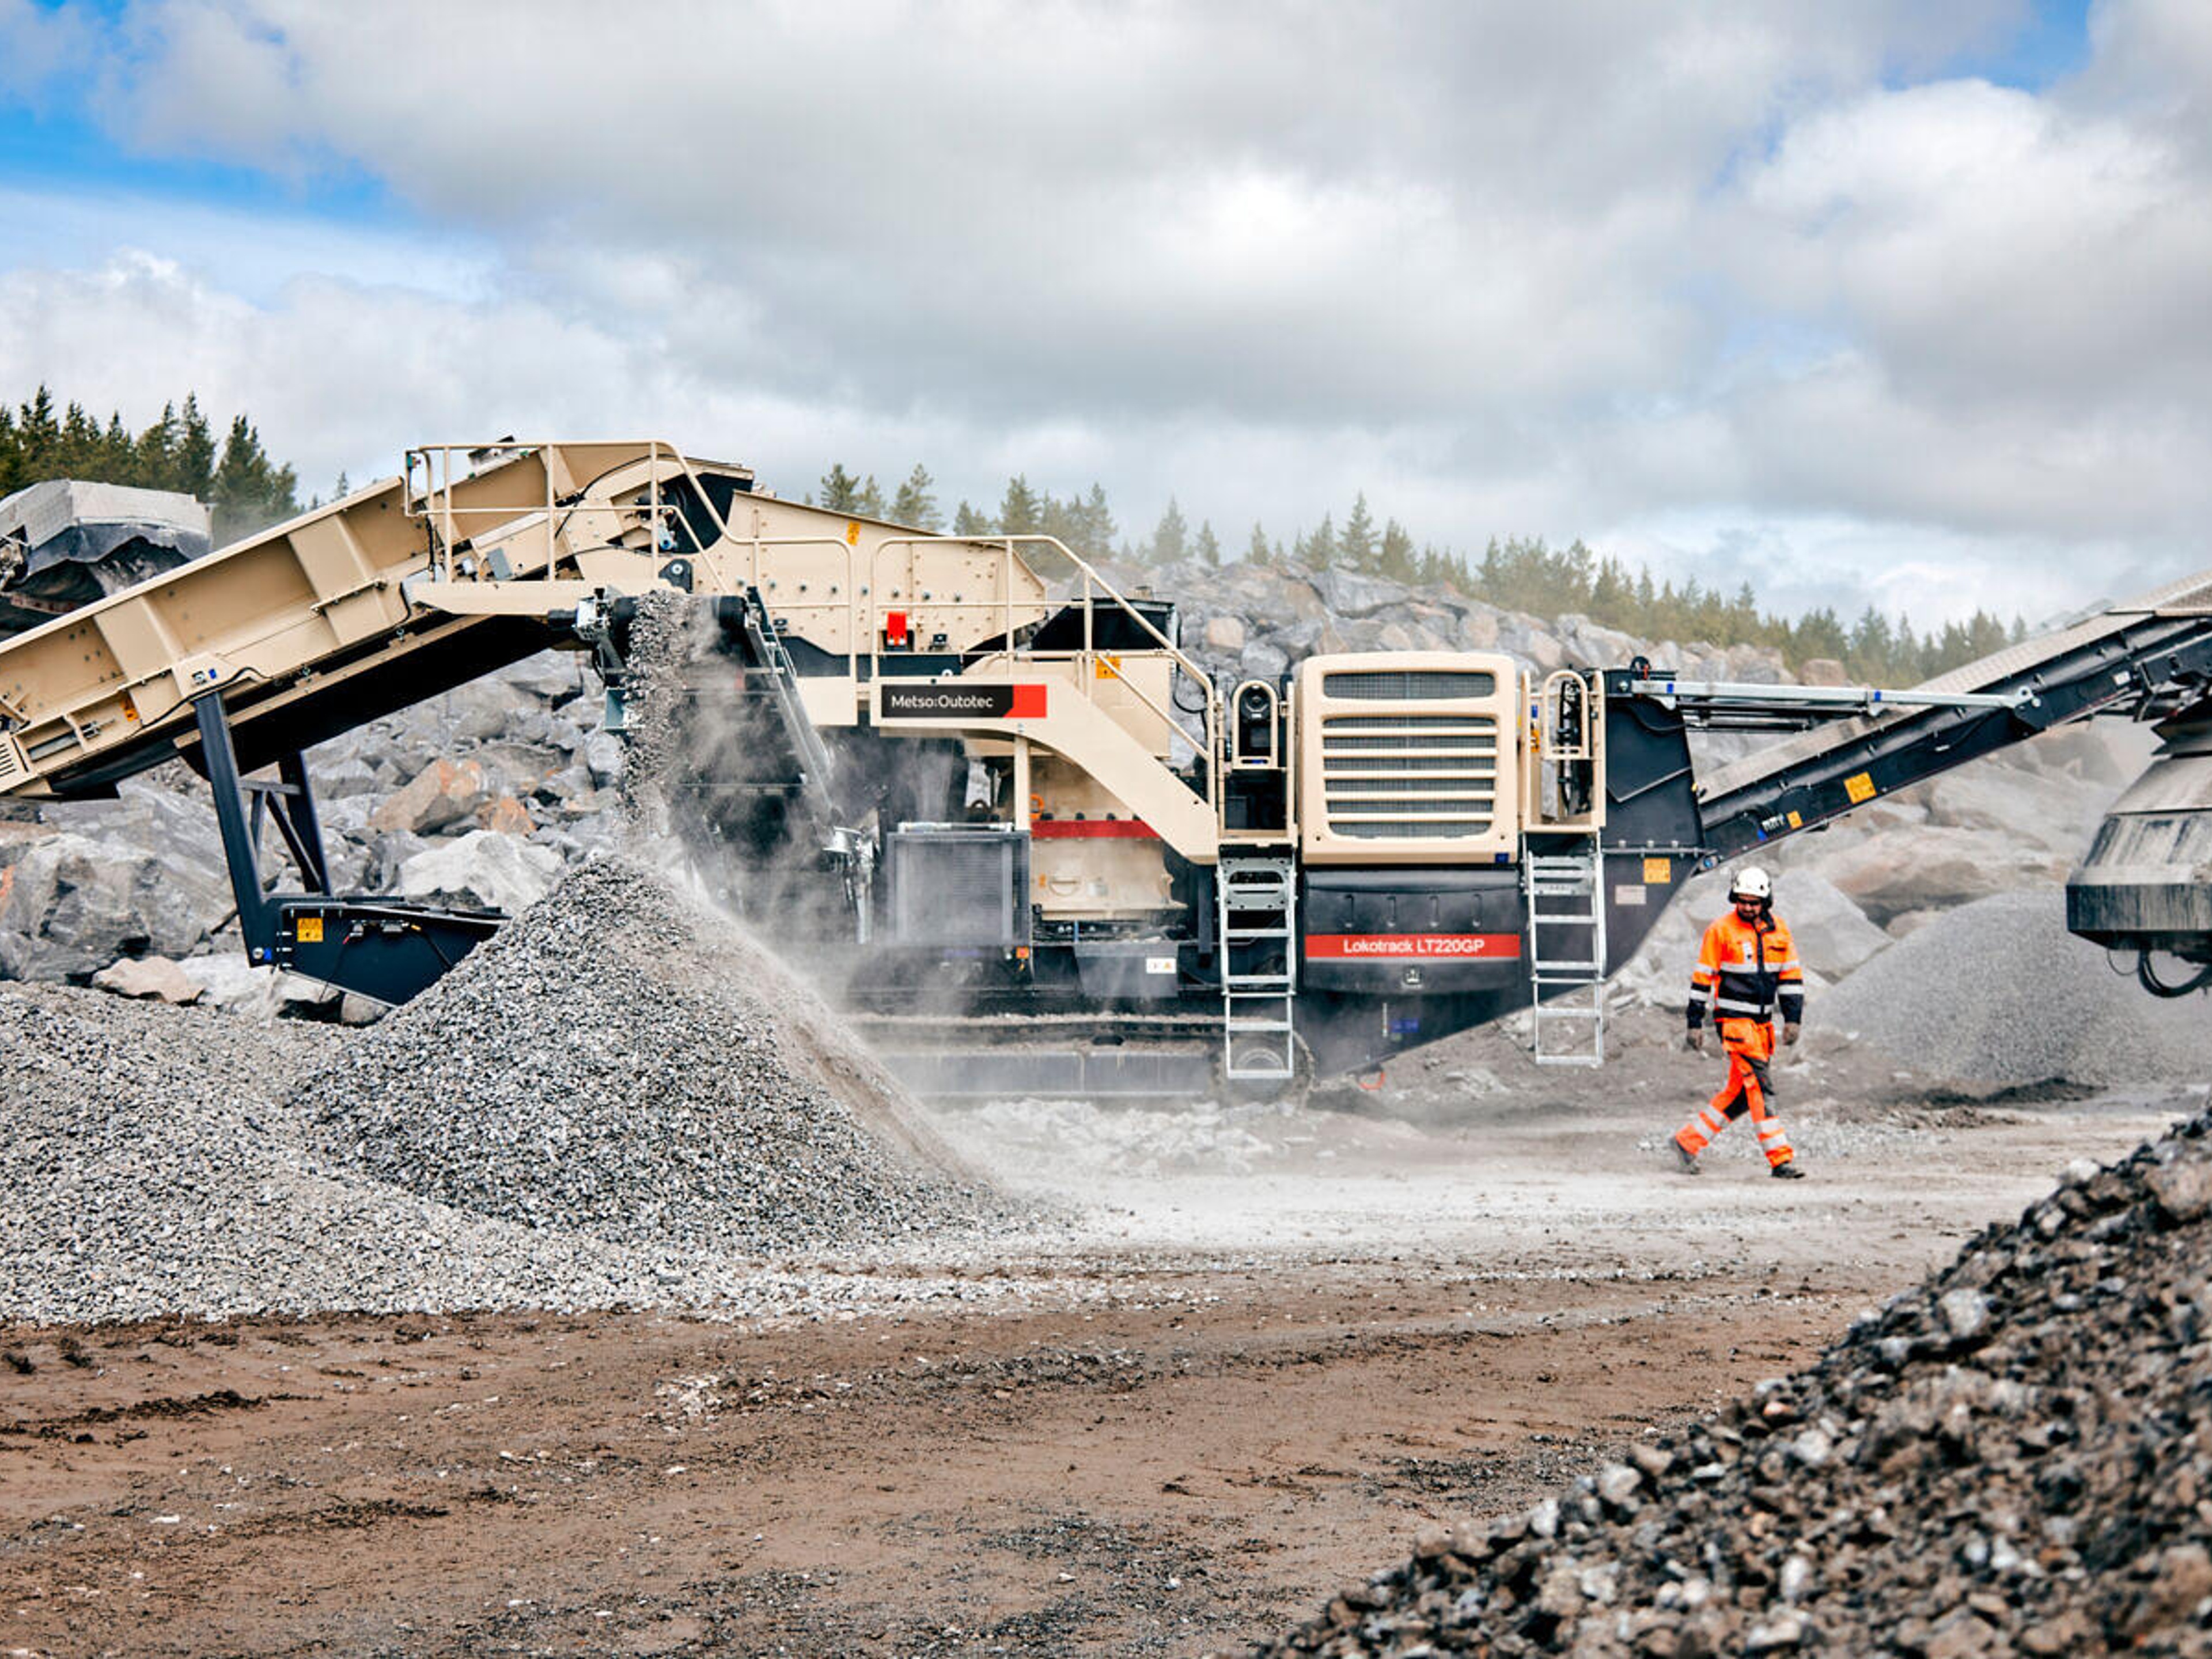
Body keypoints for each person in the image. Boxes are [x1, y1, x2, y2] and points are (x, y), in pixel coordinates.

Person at [1674, 865, 1805, 1179]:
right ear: (1735, 898)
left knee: (1742, 1094)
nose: (1747, 907)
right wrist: (1694, 1022)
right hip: (1734, 1025)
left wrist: (1793, 1020)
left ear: (1766, 901)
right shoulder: (1720, 931)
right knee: (1761, 1088)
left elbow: (1791, 979)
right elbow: (1702, 979)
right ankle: (1780, 1159)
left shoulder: (1780, 932)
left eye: (1754, 902)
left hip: (1762, 1027)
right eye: (1742, 901)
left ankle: (1687, 1142)